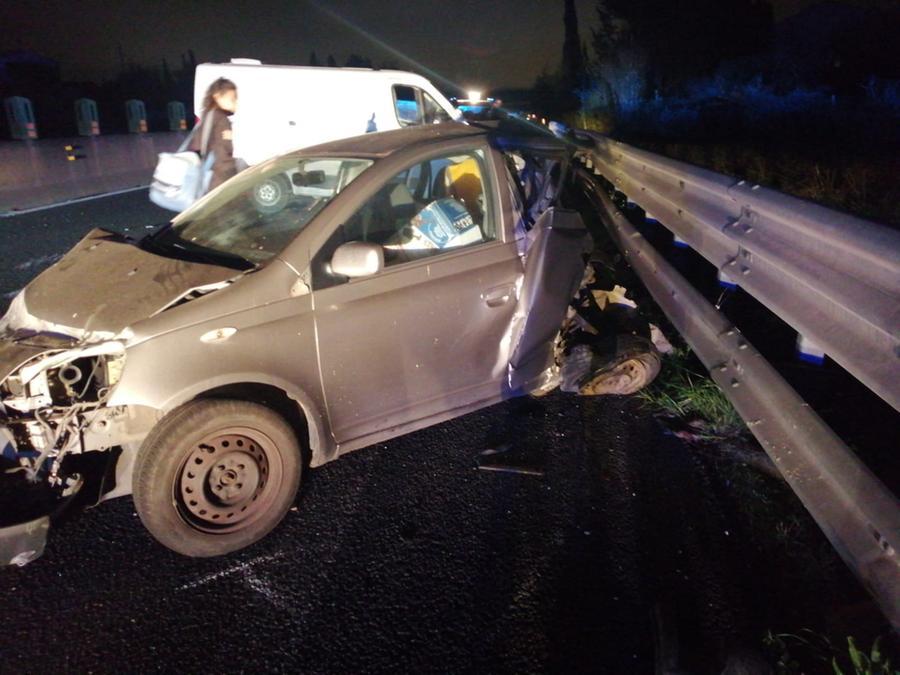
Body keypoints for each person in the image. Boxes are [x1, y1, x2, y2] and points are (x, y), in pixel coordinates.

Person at [192, 77, 238, 193]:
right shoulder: (221, 119)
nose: (235, 102)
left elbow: (197, 144)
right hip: (221, 176)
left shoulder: (207, 115)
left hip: (211, 174)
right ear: (217, 97)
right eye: (232, 98)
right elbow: (226, 148)